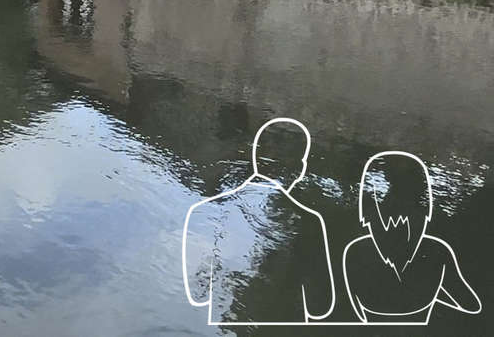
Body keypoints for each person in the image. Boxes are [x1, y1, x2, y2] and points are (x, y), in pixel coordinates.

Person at [183, 118, 335, 325]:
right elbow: (320, 307)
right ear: (301, 168)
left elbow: (195, 297)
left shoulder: (203, 210)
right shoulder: (312, 221)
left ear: (254, 157)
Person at [342, 151, 482, 323]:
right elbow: (470, 305)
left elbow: (351, 313)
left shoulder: (354, 252)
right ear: (425, 207)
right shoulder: (437, 251)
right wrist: (431, 295)